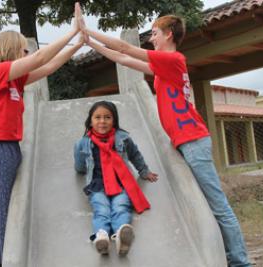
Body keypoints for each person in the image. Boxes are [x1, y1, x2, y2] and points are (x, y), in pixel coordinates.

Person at [77, 12, 251, 267]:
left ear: (169, 34)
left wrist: (89, 30)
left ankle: (240, 262)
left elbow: (126, 47)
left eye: (155, 33)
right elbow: (123, 57)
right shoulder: (163, 68)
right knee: (208, 203)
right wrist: (90, 44)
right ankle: (227, 255)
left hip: (193, 139)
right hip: (185, 141)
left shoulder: (174, 59)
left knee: (218, 205)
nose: (151, 38)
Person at [0, 3, 84, 266]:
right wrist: (72, 30)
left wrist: (77, 45)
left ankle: (6, 259)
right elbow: (41, 58)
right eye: (24, 48)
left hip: (8, 149)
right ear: (11, 49)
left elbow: (48, 67)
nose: (28, 52)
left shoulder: (15, 80)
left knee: (6, 212)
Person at [73, 100, 158, 256]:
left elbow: (135, 155)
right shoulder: (83, 143)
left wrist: (144, 171)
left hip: (121, 183)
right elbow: (79, 165)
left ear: (114, 121)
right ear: (90, 121)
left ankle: (121, 234)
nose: (102, 121)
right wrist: (81, 170)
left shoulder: (123, 138)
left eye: (107, 117)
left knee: (121, 206)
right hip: (97, 184)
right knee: (101, 208)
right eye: (97, 117)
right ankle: (102, 236)